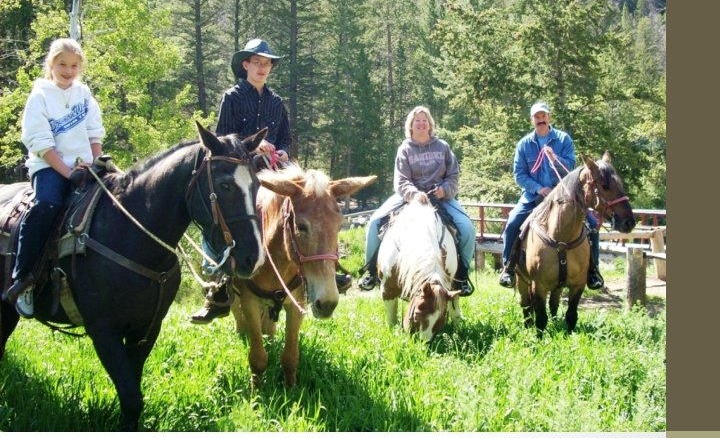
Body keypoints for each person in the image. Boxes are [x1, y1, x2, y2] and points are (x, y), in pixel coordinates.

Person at [189, 38, 351, 324]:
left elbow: (286, 137)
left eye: (267, 64)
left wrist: (283, 150)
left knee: (316, 206)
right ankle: (218, 284)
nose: (263, 68)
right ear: (245, 65)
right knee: (222, 214)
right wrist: (253, 146)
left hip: (279, 167)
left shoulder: (276, 102)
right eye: (257, 63)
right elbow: (224, 138)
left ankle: (328, 269)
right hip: (243, 168)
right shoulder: (232, 97)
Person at [3, 38, 105, 318]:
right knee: (47, 205)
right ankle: (23, 278)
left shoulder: (83, 94)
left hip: (85, 165)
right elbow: (41, 143)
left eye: (74, 65)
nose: (68, 70)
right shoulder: (40, 96)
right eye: (62, 64)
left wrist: (96, 163)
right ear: (51, 64)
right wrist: (68, 173)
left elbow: (94, 133)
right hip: (50, 167)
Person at [358, 105, 475, 297]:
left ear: (430, 125)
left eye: (425, 120)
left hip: (440, 198)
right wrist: (413, 193)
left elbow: (453, 175)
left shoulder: (443, 147)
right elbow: (401, 179)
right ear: (410, 126)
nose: (421, 124)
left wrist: (444, 190)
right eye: (417, 121)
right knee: (374, 223)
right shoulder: (405, 149)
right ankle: (371, 271)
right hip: (410, 197)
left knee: (467, 228)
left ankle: (462, 275)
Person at [498, 102, 604, 290]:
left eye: (543, 116)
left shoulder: (563, 140)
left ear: (549, 117)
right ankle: (508, 268)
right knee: (513, 223)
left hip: (564, 197)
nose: (540, 119)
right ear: (532, 120)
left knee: (592, 225)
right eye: (537, 117)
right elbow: (519, 175)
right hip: (534, 196)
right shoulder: (524, 144)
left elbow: (570, 169)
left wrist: (555, 158)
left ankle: (593, 271)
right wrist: (539, 189)